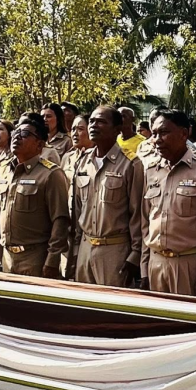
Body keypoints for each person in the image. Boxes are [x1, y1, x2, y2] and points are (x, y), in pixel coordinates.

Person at [140, 109, 196, 296]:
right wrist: (144, 267)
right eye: (154, 134)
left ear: (184, 133)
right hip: (155, 263)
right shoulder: (151, 170)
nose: (157, 139)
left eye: (164, 132)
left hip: (187, 265)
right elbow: (145, 222)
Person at [65, 105, 144, 288]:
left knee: (114, 309)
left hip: (115, 250)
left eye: (101, 122)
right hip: (85, 248)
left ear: (117, 129)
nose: (93, 126)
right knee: (84, 310)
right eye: (92, 121)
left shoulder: (131, 164)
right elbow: (77, 210)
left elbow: (138, 214)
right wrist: (76, 250)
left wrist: (135, 255)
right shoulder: (83, 163)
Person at [0, 117, 69, 278]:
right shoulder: (4, 169)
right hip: (7, 256)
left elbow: (60, 219)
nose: (17, 137)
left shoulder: (51, 174)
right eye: (15, 132)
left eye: (24, 134)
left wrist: (52, 258)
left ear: (39, 144)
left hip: (35, 257)